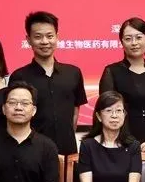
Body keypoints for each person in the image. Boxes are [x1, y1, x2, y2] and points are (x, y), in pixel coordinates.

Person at [99, 17, 145, 182]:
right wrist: (125, 141)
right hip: (120, 142)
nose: (134, 43)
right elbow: (107, 111)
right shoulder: (112, 71)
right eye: (128, 38)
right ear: (121, 42)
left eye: (139, 37)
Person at [9, 11, 87, 156]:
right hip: (30, 152)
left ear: (57, 37)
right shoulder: (19, 76)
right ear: (28, 40)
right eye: (38, 37)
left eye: (50, 36)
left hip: (67, 150)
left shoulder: (73, 73)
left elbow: (75, 112)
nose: (45, 41)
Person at [0, 81, 60, 182]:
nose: (18, 108)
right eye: (12, 102)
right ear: (4, 109)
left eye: (25, 103)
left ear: (34, 110)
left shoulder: (47, 147)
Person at [79, 91, 142, 182]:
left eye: (118, 110)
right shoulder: (87, 146)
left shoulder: (133, 146)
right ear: (99, 116)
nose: (114, 116)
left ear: (124, 114)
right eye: (109, 110)